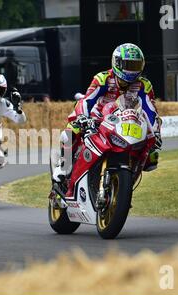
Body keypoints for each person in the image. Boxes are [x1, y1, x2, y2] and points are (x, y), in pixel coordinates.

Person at [52, 43, 162, 190]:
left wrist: (155, 131)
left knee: (151, 154)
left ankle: (124, 182)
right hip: (98, 119)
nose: (131, 70)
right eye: (128, 64)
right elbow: (87, 100)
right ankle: (63, 165)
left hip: (126, 123)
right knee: (70, 132)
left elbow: (150, 110)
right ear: (117, 63)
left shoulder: (144, 85)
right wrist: (83, 117)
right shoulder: (103, 78)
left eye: (135, 65)